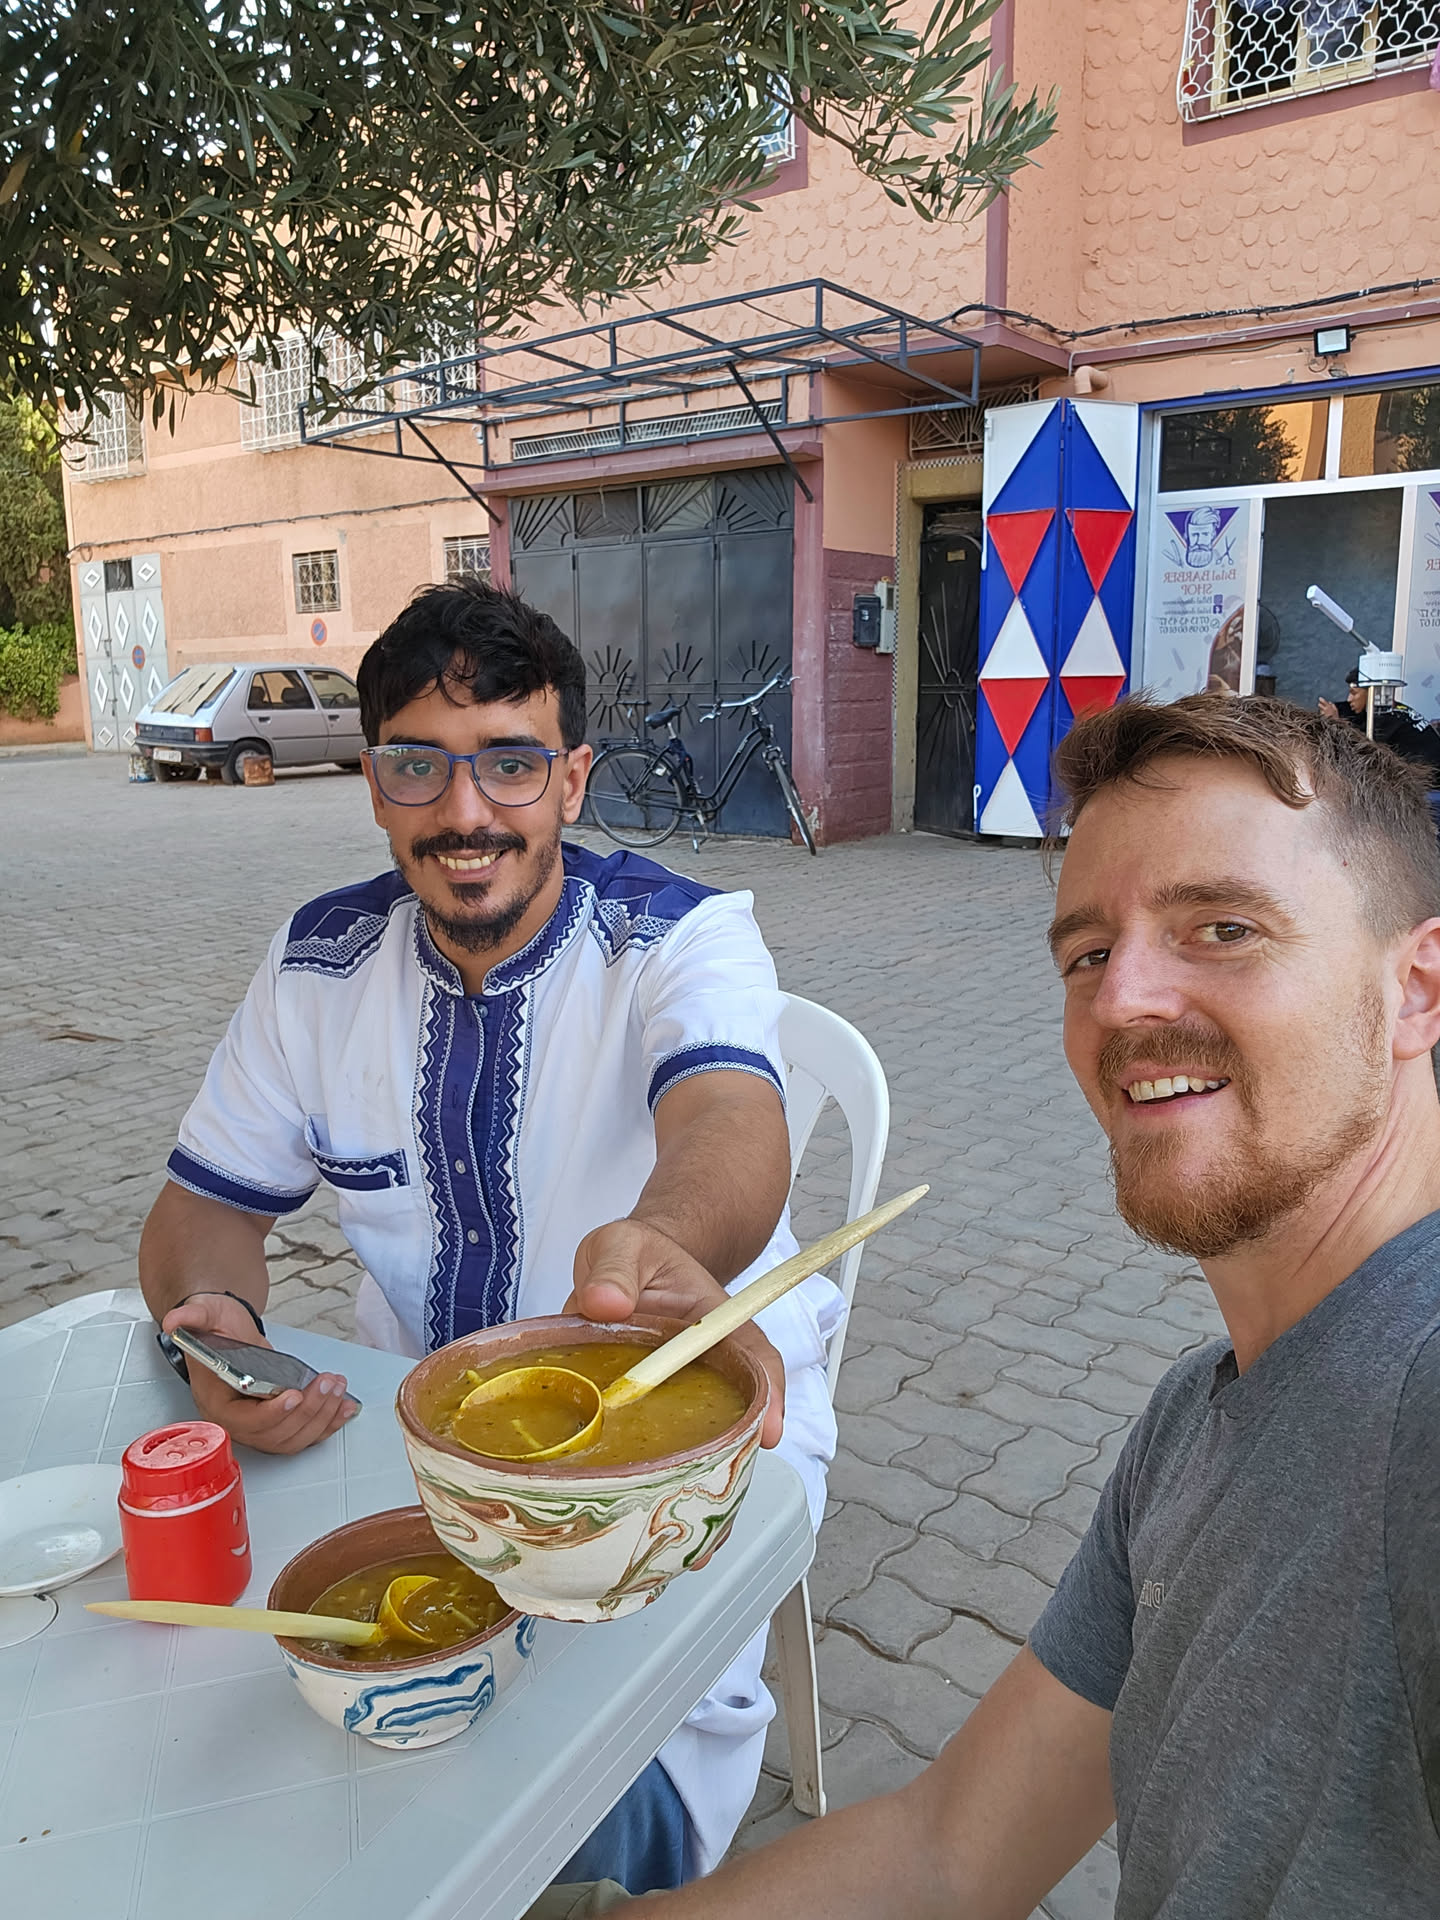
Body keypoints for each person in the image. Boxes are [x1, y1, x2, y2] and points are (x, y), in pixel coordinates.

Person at [553, 692, 1440, 1918]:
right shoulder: (1192, 1427)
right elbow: (950, 1852)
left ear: (1417, 988)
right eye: (1088, 954)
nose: (1121, 1002)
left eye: (1224, 928)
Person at [138, 580, 842, 1892]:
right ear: (375, 785)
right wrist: (215, 1329)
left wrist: (664, 1238)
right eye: (420, 766)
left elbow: (730, 1119)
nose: (466, 812)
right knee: (234, 1735)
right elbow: (207, 1208)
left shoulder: (676, 935)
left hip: (678, 1445)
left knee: (553, 1804)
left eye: (511, 763)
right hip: (414, 1437)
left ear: (571, 780)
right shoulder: (319, 964)